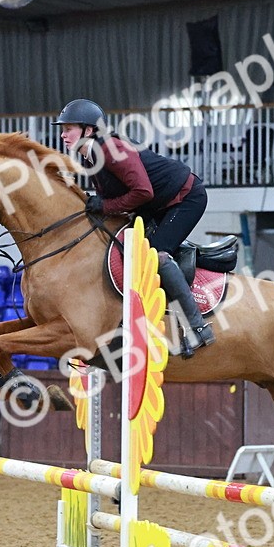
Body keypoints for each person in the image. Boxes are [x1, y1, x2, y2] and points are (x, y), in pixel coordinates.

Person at [53, 98, 216, 355]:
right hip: (156, 204)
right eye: (63, 129)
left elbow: (143, 191)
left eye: (68, 129)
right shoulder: (90, 158)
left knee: (155, 256)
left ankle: (198, 328)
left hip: (185, 197)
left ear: (88, 130)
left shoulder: (110, 149)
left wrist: (104, 206)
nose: (63, 135)